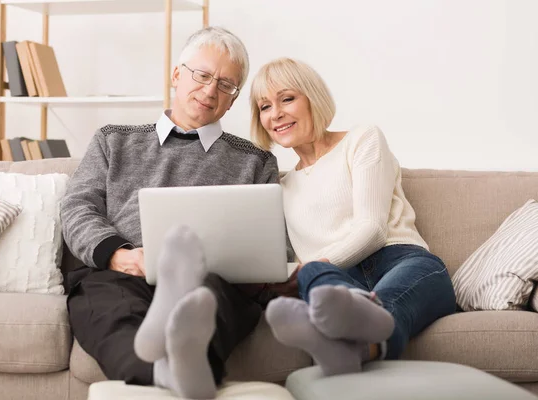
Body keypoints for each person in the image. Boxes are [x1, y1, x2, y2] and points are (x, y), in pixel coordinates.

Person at [61, 27, 279, 400]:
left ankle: (175, 369)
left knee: (211, 300)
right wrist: (120, 255)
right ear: (177, 75)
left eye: (226, 85)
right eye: (202, 75)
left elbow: (275, 247)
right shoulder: (113, 139)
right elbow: (78, 206)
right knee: (112, 310)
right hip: (121, 270)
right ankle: (172, 375)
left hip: (212, 278)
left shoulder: (256, 161)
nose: (211, 90)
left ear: (233, 100)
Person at [249, 57, 457, 376]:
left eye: (287, 99)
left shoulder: (361, 140)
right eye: (264, 106)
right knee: (312, 277)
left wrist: (315, 266)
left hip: (400, 259)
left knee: (332, 279)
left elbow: (372, 230)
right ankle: (353, 343)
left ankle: (342, 338)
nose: (275, 114)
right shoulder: (277, 185)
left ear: (312, 98)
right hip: (335, 281)